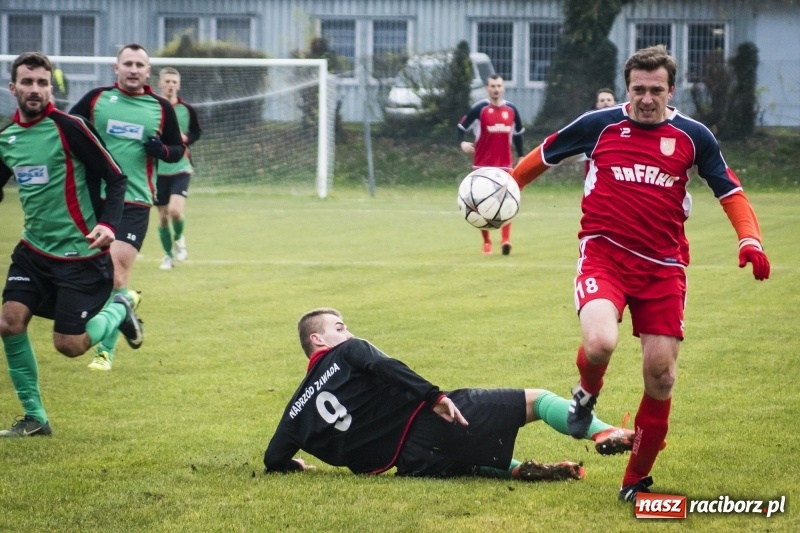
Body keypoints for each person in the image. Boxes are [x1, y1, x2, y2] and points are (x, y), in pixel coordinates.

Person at [510, 45, 771, 502]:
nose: (646, 98)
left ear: (671, 90)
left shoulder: (694, 137)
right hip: (603, 256)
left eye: (656, 90)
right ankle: (586, 395)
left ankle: (635, 479)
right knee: (599, 342)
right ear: (627, 88)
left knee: (661, 374)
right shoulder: (599, 124)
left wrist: (750, 238)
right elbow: (544, 155)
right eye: (638, 90)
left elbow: (730, 190)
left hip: (664, 268)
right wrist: (507, 186)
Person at [263, 308, 636, 480]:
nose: (347, 332)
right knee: (536, 400)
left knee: (468, 458)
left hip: (410, 465)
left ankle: (519, 469)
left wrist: (292, 464)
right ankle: (600, 430)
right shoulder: (349, 351)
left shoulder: (295, 411)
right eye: (340, 327)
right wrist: (434, 396)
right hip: (427, 422)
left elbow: (273, 456)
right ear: (318, 340)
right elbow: (388, 368)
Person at [0, 52, 144, 437]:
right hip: (32, 253)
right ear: (12, 88)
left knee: (69, 345)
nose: (35, 89)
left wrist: (110, 224)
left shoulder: (70, 127)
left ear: (51, 87)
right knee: (9, 322)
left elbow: (115, 178)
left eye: (42, 83)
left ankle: (120, 306)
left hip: (81, 257)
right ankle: (35, 418)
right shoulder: (7, 139)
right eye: (27, 82)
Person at [70, 44, 185, 371]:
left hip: (134, 201)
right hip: (93, 198)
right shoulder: (96, 100)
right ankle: (127, 302)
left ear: (148, 72)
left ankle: (104, 354)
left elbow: (177, 149)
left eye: (139, 64)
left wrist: (161, 149)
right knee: (98, 275)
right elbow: (65, 130)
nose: (133, 69)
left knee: (117, 273)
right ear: (116, 68)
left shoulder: (160, 107)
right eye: (127, 63)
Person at [458, 74, 524, 255]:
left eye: (499, 86)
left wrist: (522, 155)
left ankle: (505, 240)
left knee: (508, 200)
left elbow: (518, 134)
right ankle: (486, 242)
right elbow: (461, 127)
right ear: (487, 88)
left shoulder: (512, 110)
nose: (496, 89)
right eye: (493, 86)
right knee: (480, 204)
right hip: (482, 166)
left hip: (505, 165)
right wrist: (462, 142)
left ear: (503, 88)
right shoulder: (479, 109)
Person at [155, 67, 202, 270]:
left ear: (179, 85)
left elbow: (196, 132)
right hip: (158, 170)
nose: (171, 85)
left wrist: (187, 139)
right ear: (160, 84)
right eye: (167, 81)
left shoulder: (187, 109)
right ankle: (167, 256)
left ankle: (180, 238)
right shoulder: (153, 107)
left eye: (174, 82)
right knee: (163, 216)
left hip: (181, 167)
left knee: (175, 211)